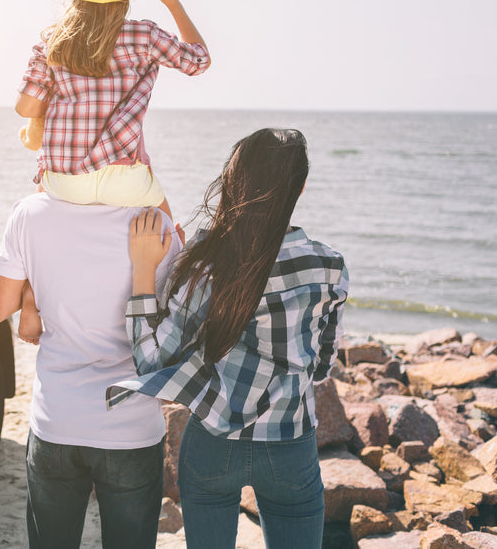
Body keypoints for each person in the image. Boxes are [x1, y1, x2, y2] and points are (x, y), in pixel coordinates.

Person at [108, 128, 349, 549]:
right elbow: (322, 366)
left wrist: (144, 272)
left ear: (234, 181)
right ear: (301, 187)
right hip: (291, 446)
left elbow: (152, 363)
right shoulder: (328, 265)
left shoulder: (206, 260)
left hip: (213, 444)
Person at [14, 0, 210, 344]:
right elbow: (199, 61)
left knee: (44, 226)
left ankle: (31, 300)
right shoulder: (143, 35)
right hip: (125, 179)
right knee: (170, 232)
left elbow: (26, 108)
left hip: (63, 180)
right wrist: (173, 3)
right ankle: (169, 310)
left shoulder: (53, 41)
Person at [0, 194, 182, 549]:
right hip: (131, 427)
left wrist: (29, 297)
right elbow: (174, 328)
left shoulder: (30, 213)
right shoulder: (153, 222)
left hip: (57, 418)